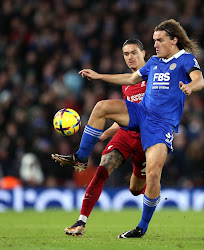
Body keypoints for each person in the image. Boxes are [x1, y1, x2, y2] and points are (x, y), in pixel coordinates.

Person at [52, 19, 204, 238]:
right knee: (102, 106)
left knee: (148, 179)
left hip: (160, 126)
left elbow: (199, 79)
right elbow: (131, 78)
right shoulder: (153, 62)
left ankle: (141, 226)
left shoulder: (185, 59)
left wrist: (190, 86)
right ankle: (81, 157)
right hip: (140, 114)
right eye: (154, 41)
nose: (156, 45)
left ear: (174, 40)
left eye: (160, 40)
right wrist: (99, 76)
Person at [56, 39, 148, 237]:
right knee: (101, 171)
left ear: (144, 53)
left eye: (134, 53)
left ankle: (148, 185)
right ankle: (81, 222)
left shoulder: (155, 77)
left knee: (135, 189)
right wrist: (105, 133)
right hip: (125, 135)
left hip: (147, 140)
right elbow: (125, 114)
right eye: (126, 54)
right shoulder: (126, 85)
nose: (130, 57)